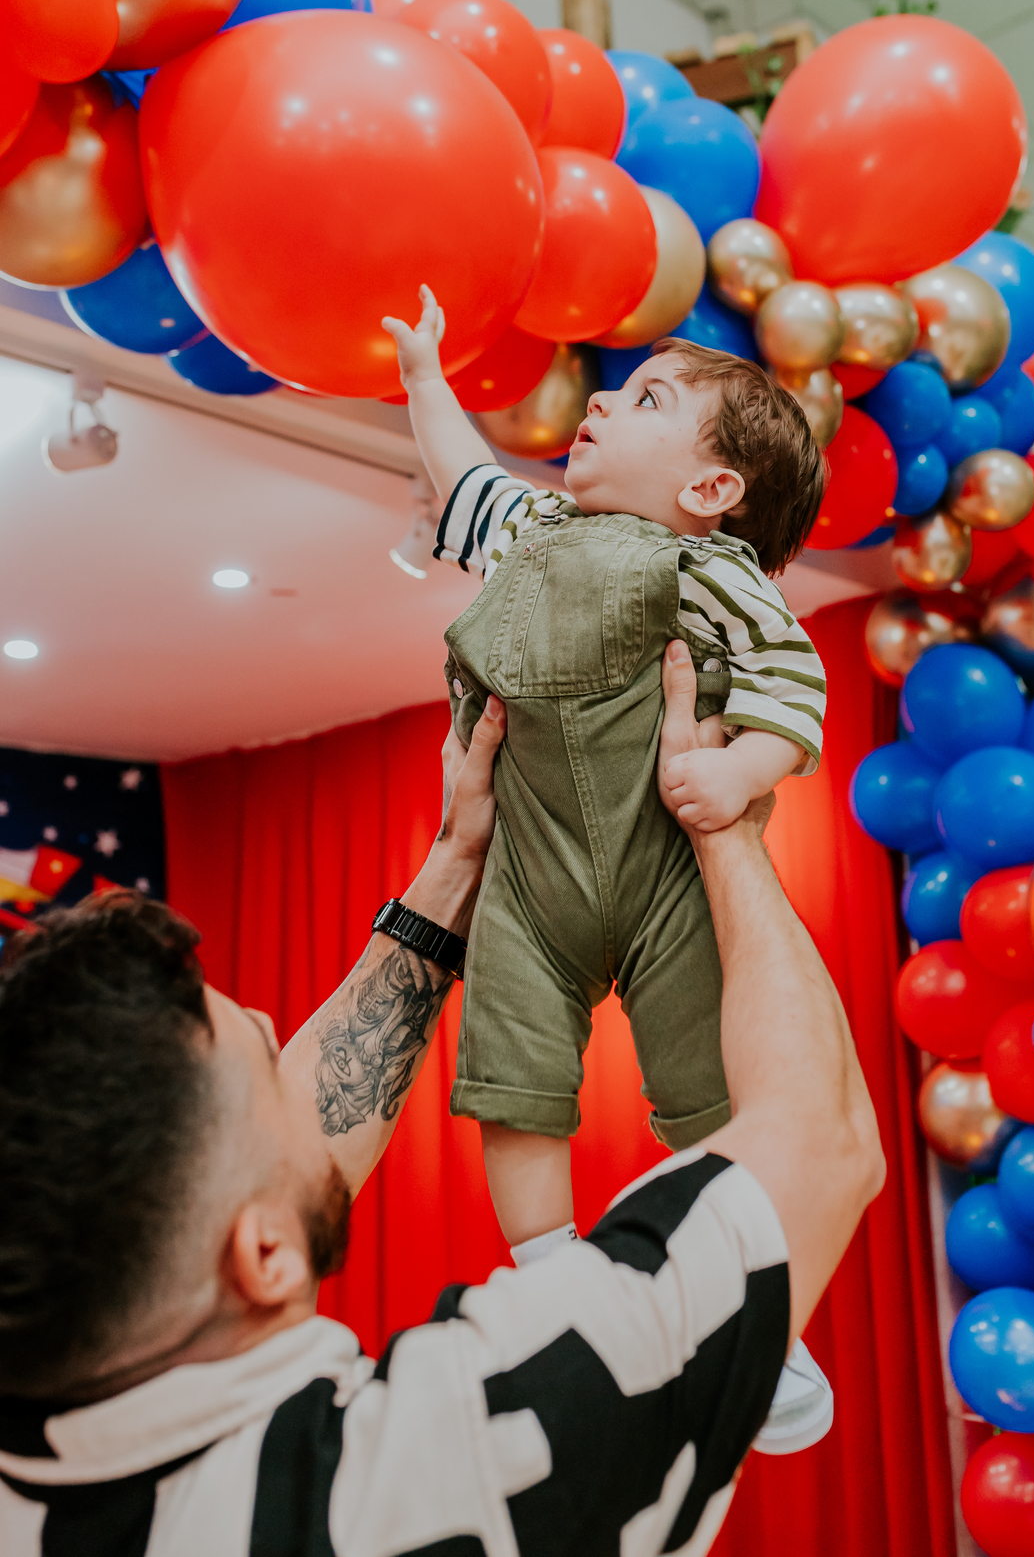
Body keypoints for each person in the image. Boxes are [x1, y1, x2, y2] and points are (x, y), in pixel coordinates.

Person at [0, 648, 883, 1556]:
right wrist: (724, 827)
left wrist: (461, 855)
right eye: (271, 1069)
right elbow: (824, 1138)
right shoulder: (454, 1454)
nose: (289, 1051)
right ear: (263, 1254)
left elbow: (287, 1145)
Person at [386, 290, 830, 1449]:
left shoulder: (711, 569)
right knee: (510, 1065)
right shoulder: (531, 535)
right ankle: (547, 1270)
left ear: (711, 491)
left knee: (709, 1076)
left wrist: (740, 775)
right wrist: (426, 376)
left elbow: (792, 686)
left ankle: (754, 1309)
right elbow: (462, 482)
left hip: (667, 863)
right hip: (532, 876)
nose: (597, 397)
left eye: (647, 399)